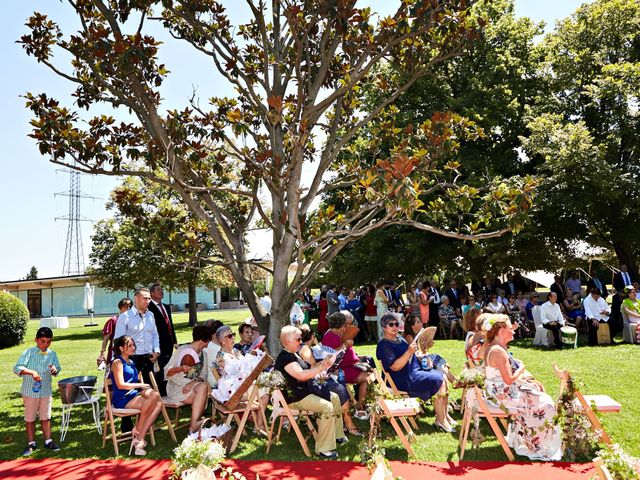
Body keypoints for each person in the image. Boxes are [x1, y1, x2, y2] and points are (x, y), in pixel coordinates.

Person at [482, 315, 562, 461]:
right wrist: (522, 367)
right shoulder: (498, 351)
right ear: (501, 331)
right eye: (510, 328)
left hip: (496, 392)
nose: (513, 330)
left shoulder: (493, 346)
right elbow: (509, 379)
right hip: (502, 397)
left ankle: (525, 439)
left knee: (537, 394)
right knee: (546, 404)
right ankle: (538, 445)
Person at [275, 325, 347, 459]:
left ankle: (337, 435)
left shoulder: (293, 354)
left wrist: (322, 367)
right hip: (295, 399)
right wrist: (321, 367)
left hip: (305, 392)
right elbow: (301, 375)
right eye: (297, 339)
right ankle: (324, 448)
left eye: (300, 338)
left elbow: (308, 372)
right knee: (327, 406)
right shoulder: (285, 358)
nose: (300, 341)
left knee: (335, 397)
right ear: (287, 341)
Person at [376, 314, 453, 432]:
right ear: (384, 327)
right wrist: (409, 352)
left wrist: (422, 352)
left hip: (413, 371)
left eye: (396, 324)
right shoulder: (384, 344)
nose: (395, 327)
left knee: (443, 377)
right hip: (401, 378)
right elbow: (395, 367)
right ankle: (441, 420)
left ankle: (444, 416)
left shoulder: (399, 339)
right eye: (391, 324)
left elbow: (412, 355)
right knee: (439, 379)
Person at [298, 324, 362, 435]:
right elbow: (313, 366)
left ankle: (342, 422)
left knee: (340, 377)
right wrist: (327, 362)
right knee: (340, 389)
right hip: (312, 382)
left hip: (315, 378)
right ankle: (348, 423)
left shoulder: (308, 349)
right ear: (313, 337)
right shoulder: (305, 350)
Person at [13, 327, 62, 456]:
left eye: (48, 342)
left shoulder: (52, 354)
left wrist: (54, 370)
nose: (45, 345)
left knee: (46, 417)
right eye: (42, 341)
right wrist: (32, 372)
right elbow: (17, 367)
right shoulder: (28, 352)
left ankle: (48, 441)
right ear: (36, 340)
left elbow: (57, 368)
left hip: (45, 391)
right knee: (30, 418)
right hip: (30, 392)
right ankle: (31, 444)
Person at [110, 335, 162, 455]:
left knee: (157, 400)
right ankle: (138, 433)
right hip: (122, 398)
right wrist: (140, 386)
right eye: (130, 345)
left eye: (133, 345)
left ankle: (139, 438)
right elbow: (121, 385)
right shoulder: (117, 362)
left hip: (133, 394)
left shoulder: (131, 362)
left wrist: (141, 387)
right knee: (154, 401)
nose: (133, 347)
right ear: (121, 348)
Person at [322, 312, 372, 422]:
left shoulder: (336, 334)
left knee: (370, 371)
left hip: (349, 365)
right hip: (340, 370)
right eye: (345, 325)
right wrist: (345, 345)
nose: (346, 328)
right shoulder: (331, 336)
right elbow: (330, 357)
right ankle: (360, 406)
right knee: (368, 377)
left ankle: (360, 404)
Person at [164, 326, 211, 433]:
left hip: (193, 387)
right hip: (176, 387)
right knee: (202, 396)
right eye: (207, 341)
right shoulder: (182, 350)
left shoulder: (204, 355)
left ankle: (193, 425)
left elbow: (204, 376)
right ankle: (195, 424)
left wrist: (192, 383)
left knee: (203, 388)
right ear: (202, 340)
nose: (208, 345)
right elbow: (166, 372)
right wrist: (180, 368)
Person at [114, 288, 160, 384]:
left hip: (149, 358)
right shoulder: (125, 317)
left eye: (149, 299)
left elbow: (155, 334)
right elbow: (118, 340)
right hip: (131, 360)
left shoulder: (151, 315)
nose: (148, 301)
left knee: (149, 389)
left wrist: (156, 350)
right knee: (133, 391)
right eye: (145, 298)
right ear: (136, 299)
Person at [97, 297, 132, 367]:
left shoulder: (132, 320)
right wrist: (102, 353)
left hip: (129, 350)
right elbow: (106, 339)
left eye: (130, 307)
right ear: (120, 308)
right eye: (126, 307)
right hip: (115, 351)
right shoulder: (113, 320)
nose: (128, 309)